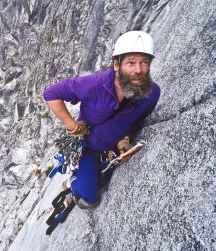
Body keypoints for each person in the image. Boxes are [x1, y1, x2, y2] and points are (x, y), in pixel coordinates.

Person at [42, 31, 161, 209]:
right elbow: (51, 94)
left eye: (144, 62)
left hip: (114, 144)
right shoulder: (96, 84)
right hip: (89, 147)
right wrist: (73, 127)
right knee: (88, 200)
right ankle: (73, 180)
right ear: (116, 64)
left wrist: (126, 137)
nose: (138, 70)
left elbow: (137, 119)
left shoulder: (150, 93)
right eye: (131, 63)